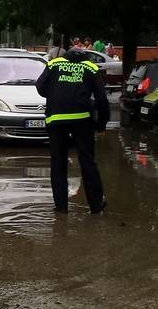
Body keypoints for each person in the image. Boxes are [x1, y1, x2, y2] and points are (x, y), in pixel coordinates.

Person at [36, 47, 110, 215]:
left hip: (56, 119)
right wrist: (101, 124)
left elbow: (40, 87)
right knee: (87, 161)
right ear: (85, 57)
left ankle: (61, 207)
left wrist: (55, 93)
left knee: (58, 163)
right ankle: (96, 205)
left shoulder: (54, 64)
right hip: (82, 120)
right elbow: (101, 98)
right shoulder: (90, 67)